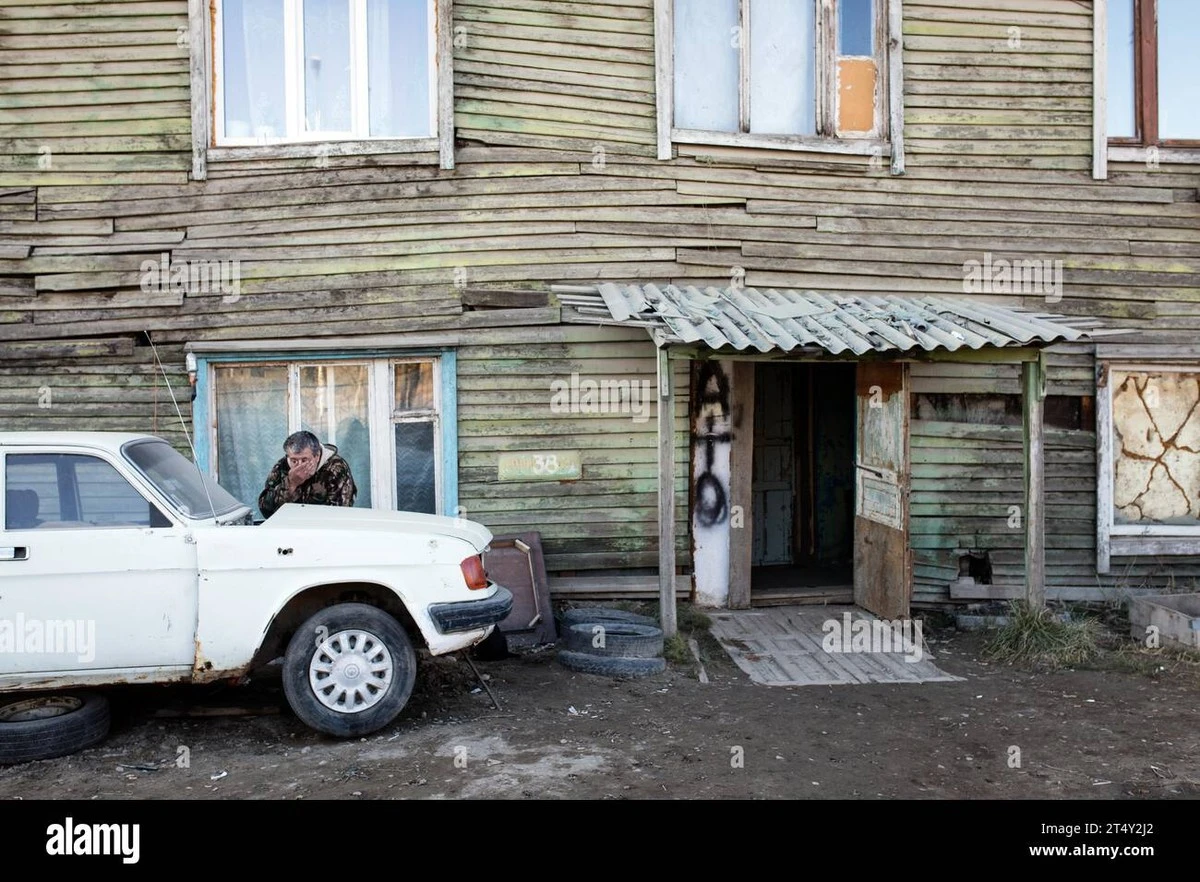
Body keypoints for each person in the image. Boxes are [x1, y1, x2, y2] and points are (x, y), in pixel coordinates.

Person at [258, 430, 357, 518]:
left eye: (305, 460)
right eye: (294, 461)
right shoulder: (282, 466)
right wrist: (291, 484)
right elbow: (266, 512)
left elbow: (341, 514)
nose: (299, 466)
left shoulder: (336, 469)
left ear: (317, 456)